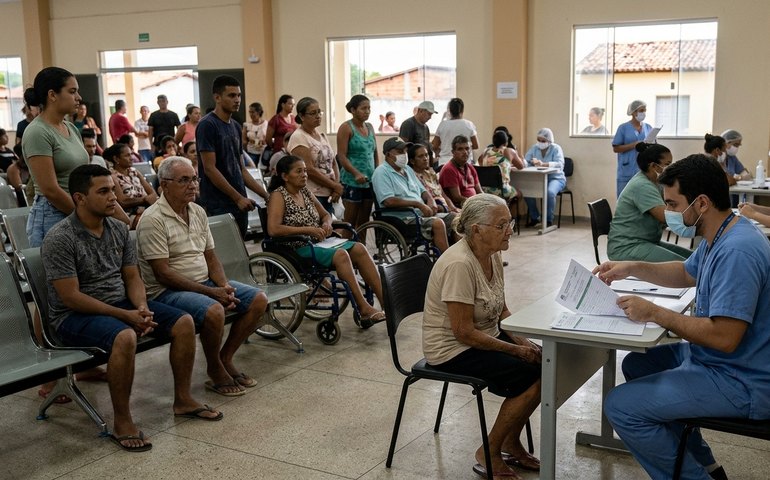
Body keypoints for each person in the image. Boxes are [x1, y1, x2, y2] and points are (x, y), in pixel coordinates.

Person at [597, 154, 770, 480]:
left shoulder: (737, 251)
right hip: (722, 361)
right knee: (636, 363)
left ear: (701, 203)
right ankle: (704, 463)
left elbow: (724, 337)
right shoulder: (723, 232)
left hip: (742, 379)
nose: (670, 215)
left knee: (621, 406)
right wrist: (631, 267)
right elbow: (686, 272)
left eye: (673, 205)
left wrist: (655, 313)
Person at [44, 164, 222, 452]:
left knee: (184, 322)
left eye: (113, 190)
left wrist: (141, 307)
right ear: (79, 198)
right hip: (73, 317)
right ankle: (123, 421)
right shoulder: (61, 238)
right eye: (103, 192)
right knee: (125, 335)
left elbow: (132, 276)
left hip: (122, 304)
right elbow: (71, 298)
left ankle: (183, 400)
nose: (113, 197)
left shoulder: (118, 228)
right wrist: (125, 315)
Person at [423, 193, 541, 479]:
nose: (510, 230)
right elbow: (462, 331)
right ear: (476, 230)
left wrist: (523, 341)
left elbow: (501, 309)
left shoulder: (492, 253)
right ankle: (489, 450)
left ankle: (510, 442)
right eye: (502, 225)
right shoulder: (459, 264)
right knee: (533, 375)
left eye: (509, 223)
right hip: (452, 349)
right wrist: (514, 351)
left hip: (481, 334)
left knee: (544, 360)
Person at [136, 156, 268, 396]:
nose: (193, 185)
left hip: (203, 284)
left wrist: (224, 286)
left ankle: (225, 358)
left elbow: (211, 257)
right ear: (164, 185)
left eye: (194, 179)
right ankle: (215, 369)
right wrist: (212, 293)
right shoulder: (152, 219)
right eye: (184, 180)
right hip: (167, 292)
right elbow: (162, 274)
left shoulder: (197, 211)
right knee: (214, 309)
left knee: (258, 299)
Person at [267, 155, 386, 325]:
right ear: (285, 176)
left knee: (359, 248)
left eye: (305, 171)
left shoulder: (305, 192)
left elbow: (324, 214)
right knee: (341, 255)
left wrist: (326, 223)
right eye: (299, 171)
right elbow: (273, 229)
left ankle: (386, 302)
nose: (304, 175)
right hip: (296, 247)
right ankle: (364, 308)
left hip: (317, 242)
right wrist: (309, 229)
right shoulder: (279, 196)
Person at [197, 75, 268, 238]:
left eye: (239, 95)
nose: (237, 100)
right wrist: (237, 198)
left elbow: (241, 169)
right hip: (218, 203)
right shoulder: (207, 125)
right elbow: (210, 168)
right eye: (231, 95)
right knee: (224, 253)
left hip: (238, 201)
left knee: (240, 250)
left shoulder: (235, 127)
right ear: (217, 97)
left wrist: (265, 195)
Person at [607, 142, 692, 261]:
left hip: (645, 241)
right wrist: (696, 219)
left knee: (693, 258)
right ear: (654, 166)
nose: (671, 168)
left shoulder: (655, 183)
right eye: (668, 164)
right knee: (686, 265)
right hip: (626, 246)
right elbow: (665, 217)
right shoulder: (642, 185)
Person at [372, 137, 450, 252]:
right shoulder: (381, 172)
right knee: (437, 224)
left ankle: (463, 260)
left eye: (404, 151)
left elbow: (423, 191)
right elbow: (388, 201)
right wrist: (418, 204)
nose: (404, 154)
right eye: (399, 152)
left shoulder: (407, 169)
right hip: (402, 218)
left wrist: (430, 201)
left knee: (454, 220)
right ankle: (447, 264)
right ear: (388, 154)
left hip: (419, 214)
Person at [287, 96, 342, 217]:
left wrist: (336, 186)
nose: (318, 116)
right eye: (313, 113)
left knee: (332, 230)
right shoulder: (299, 137)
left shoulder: (320, 135)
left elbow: (333, 162)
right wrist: (334, 186)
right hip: (313, 194)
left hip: (329, 192)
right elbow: (309, 170)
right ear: (302, 116)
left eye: (319, 112)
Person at [336, 94, 377, 232]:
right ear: (353, 110)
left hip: (369, 180)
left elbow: (374, 152)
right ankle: (347, 250)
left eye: (369, 108)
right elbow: (341, 156)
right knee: (350, 222)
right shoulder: (346, 128)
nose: (367, 111)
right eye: (363, 108)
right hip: (352, 181)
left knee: (364, 222)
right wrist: (356, 173)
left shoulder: (370, 127)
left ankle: (362, 249)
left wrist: (376, 173)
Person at [522, 128, 566, 227]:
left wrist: (544, 164)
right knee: (526, 191)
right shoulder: (534, 148)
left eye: (543, 141)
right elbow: (526, 160)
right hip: (538, 179)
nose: (540, 143)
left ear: (549, 141)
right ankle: (535, 217)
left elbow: (560, 164)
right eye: (538, 140)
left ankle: (548, 220)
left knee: (549, 193)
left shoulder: (556, 148)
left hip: (556, 178)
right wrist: (522, 161)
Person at [107, 143, 157, 229]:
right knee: (149, 221)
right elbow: (122, 201)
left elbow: (152, 193)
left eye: (131, 154)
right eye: (127, 155)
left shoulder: (135, 172)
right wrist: (144, 199)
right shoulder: (112, 177)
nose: (131, 158)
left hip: (147, 209)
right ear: (116, 159)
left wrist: (149, 199)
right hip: (129, 214)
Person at [612, 99, 652, 197]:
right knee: (624, 198)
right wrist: (633, 145)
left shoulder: (648, 127)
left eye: (645, 110)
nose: (644, 113)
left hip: (643, 169)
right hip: (626, 170)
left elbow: (653, 145)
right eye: (641, 111)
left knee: (642, 198)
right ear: (633, 112)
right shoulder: (623, 128)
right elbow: (616, 148)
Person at [478, 129, 525, 209]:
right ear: (506, 142)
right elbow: (521, 166)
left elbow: (480, 162)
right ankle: (507, 213)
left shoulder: (486, 151)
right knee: (519, 194)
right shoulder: (508, 151)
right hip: (501, 191)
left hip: (484, 189)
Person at [408, 143, 459, 214]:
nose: (425, 159)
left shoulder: (431, 173)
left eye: (426, 155)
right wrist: (445, 208)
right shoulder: (412, 177)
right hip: (435, 210)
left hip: (446, 209)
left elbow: (443, 195)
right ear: (412, 161)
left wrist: (452, 207)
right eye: (420, 156)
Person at [431, 97, 479, 166]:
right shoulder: (469, 124)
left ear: (450, 111)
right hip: (464, 164)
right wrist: (464, 149)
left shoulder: (443, 125)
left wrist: (443, 151)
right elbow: (476, 145)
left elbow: (435, 146)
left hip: (444, 163)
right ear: (462, 111)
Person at [438, 135, 482, 207]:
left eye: (467, 148)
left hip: (474, 204)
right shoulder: (449, 169)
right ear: (453, 152)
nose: (465, 152)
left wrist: (487, 201)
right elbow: (457, 198)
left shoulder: (470, 167)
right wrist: (476, 204)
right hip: (461, 206)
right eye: (460, 149)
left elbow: (479, 191)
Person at [242, 102, 268, 166]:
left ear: (259, 112)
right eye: (250, 112)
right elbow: (244, 140)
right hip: (251, 152)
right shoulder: (246, 125)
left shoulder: (266, 124)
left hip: (263, 152)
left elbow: (268, 137)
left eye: (253, 112)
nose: (251, 114)